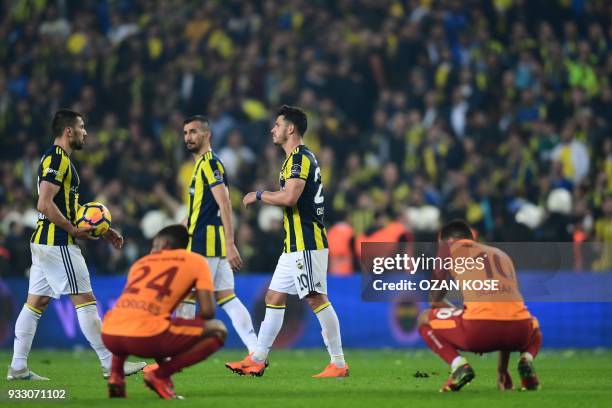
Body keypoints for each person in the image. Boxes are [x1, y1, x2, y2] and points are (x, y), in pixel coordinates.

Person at [7, 109, 145, 381]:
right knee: (86, 302)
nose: (85, 132)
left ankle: (18, 367)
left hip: (43, 242)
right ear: (68, 131)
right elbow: (44, 204)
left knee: (35, 303)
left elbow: (64, 206)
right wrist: (72, 230)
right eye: (82, 127)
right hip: (58, 242)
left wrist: (102, 231)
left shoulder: (57, 160)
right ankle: (111, 365)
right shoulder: (57, 160)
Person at [226, 105, 348, 378]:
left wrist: (258, 195)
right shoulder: (295, 159)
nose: (273, 129)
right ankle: (258, 358)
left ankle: (338, 363)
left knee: (316, 299)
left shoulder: (299, 159)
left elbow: (289, 198)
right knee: (274, 296)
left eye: (277, 125)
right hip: (293, 245)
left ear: (290, 128)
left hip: (306, 242)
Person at [101, 224, 227, 400]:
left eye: (154, 245)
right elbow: (207, 312)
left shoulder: (140, 263)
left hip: (109, 334)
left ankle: (116, 376)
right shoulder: (196, 261)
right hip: (147, 337)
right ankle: (159, 375)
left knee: (134, 317)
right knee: (218, 329)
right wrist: (188, 337)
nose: (153, 250)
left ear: (164, 243)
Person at [418, 219, 542, 392]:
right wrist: (502, 370)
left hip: (478, 329)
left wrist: (466, 316)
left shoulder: (448, 251)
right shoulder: (502, 255)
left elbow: (434, 301)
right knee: (533, 322)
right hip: (519, 331)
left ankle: (459, 366)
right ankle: (526, 360)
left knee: (424, 319)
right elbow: (504, 312)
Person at [175, 115, 258, 358]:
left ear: (207, 135)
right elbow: (199, 209)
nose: (188, 137)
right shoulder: (199, 166)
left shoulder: (211, 164)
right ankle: (255, 350)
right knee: (226, 297)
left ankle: (179, 351)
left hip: (206, 242)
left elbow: (225, 203)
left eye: (193, 132)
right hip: (208, 241)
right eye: (185, 133)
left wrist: (231, 244)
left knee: (186, 294)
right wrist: (178, 230)